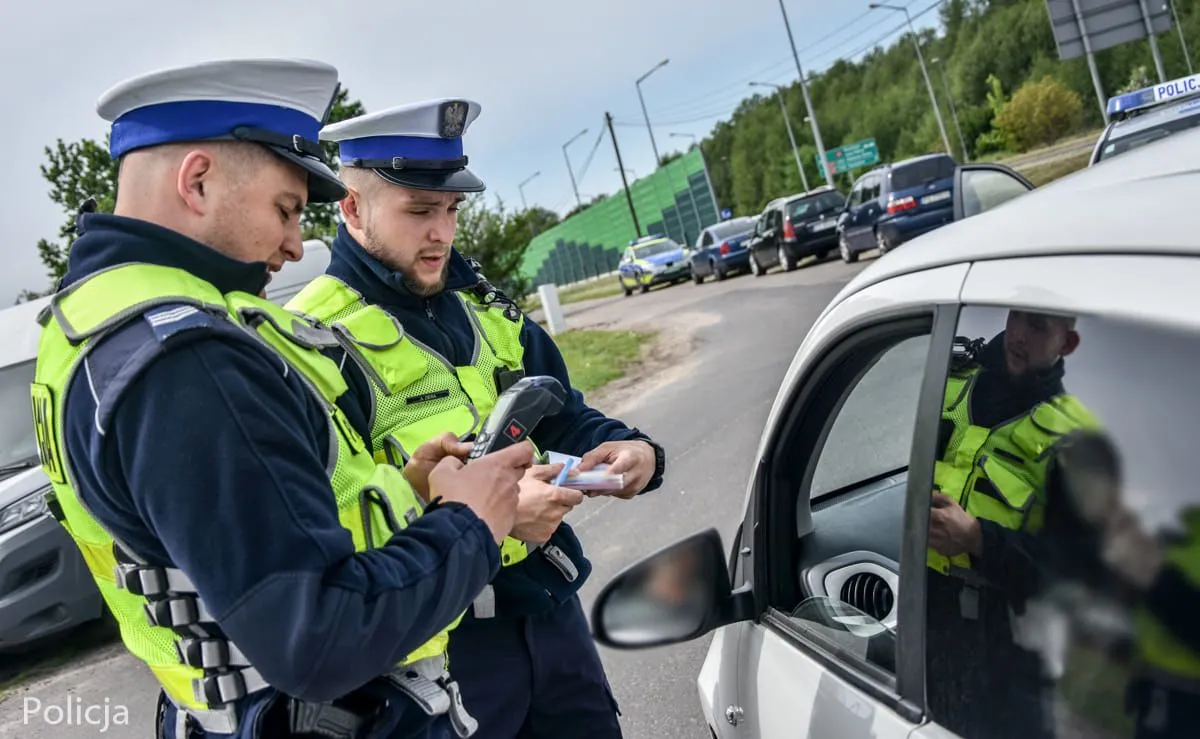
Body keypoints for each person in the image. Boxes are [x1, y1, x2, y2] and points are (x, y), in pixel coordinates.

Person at [29, 59, 534, 739]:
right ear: (197, 181)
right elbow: (318, 638)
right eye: (286, 210)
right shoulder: (189, 360)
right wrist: (471, 523)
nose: (297, 245)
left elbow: (243, 537)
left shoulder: (91, 324)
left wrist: (411, 491)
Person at [285, 98, 667, 738]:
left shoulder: (483, 309)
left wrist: (633, 451)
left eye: (452, 209)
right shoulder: (312, 341)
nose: (442, 232)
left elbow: (563, 416)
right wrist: (492, 514)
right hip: (438, 657)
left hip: (551, 620)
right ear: (351, 208)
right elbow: (327, 530)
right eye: (419, 211)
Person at [922, 309, 1098, 739]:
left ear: (1067, 344)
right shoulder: (949, 383)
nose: (1019, 334)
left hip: (1001, 655)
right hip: (920, 617)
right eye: (1017, 317)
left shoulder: (1077, 440)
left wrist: (979, 540)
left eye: (1038, 326)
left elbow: (1076, 576)